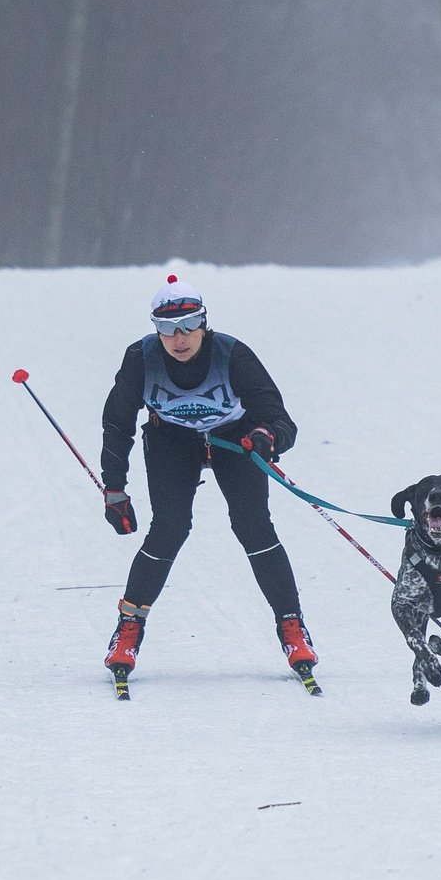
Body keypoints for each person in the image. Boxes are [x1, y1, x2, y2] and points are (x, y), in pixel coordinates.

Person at [96, 276, 314, 685]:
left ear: (204, 323)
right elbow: (117, 422)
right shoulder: (141, 358)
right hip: (171, 441)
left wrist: (268, 437)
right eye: (165, 327)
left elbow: (278, 416)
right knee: (169, 529)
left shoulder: (233, 354)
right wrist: (114, 489)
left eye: (188, 325)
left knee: (253, 526)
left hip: (235, 439)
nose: (178, 338)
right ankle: (129, 629)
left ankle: (292, 627)